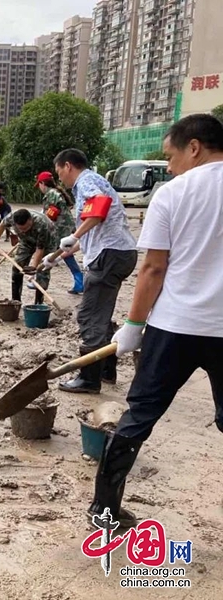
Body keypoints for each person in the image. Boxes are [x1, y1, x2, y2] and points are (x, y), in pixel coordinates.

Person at [85, 114, 223, 527]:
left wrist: (132, 324)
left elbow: (153, 269)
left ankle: (104, 508)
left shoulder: (172, 193)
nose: (172, 165)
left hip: (174, 326)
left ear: (194, 146)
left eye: (172, 155)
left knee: (139, 415)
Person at [47, 148, 137, 394]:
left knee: (89, 315)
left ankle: (89, 379)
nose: (60, 179)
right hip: (119, 252)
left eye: (59, 172)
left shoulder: (87, 181)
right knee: (102, 311)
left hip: (109, 254)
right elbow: (95, 225)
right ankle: (107, 370)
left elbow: (100, 207)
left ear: (68, 166)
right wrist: (63, 252)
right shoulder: (97, 180)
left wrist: (74, 234)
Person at [0, 209, 57, 305]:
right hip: (26, 241)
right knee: (17, 266)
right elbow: (2, 224)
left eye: (26, 228)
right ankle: (16, 301)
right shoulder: (12, 217)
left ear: (30, 220)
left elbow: (40, 249)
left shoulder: (42, 224)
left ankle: (38, 303)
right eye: (21, 229)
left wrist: (34, 267)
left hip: (47, 242)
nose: (24, 230)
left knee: (42, 270)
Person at [35, 171, 83, 294]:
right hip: (65, 228)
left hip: (60, 229)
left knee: (49, 254)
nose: (39, 188)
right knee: (66, 254)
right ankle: (79, 282)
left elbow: (53, 212)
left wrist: (42, 222)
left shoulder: (51, 194)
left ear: (42, 183)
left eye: (39, 185)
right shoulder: (56, 193)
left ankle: (40, 282)